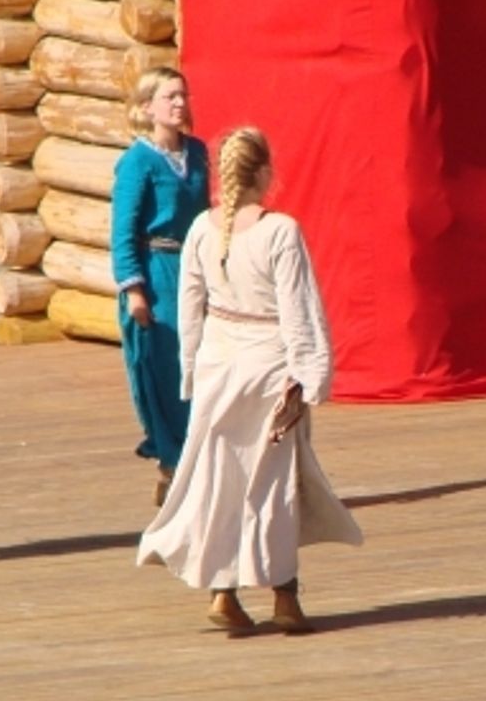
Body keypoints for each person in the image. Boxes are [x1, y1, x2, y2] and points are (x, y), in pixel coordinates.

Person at [138, 127, 361, 635]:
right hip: (269, 368)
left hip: (220, 365)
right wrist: (310, 377)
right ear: (263, 172)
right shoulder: (279, 231)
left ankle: (224, 592)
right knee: (273, 483)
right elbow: (299, 312)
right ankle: (284, 597)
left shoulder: (202, 229)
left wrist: (192, 370)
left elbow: (190, 308)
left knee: (223, 481)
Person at [111, 67, 210, 506]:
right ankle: (174, 461)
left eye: (183, 95)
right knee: (168, 367)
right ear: (147, 106)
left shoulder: (198, 153)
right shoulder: (138, 161)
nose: (179, 103)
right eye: (170, 96)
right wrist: (134, 289)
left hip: (195, 268)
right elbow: (123, 231)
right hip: (157, 272)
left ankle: (195, 462)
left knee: (202, 363)